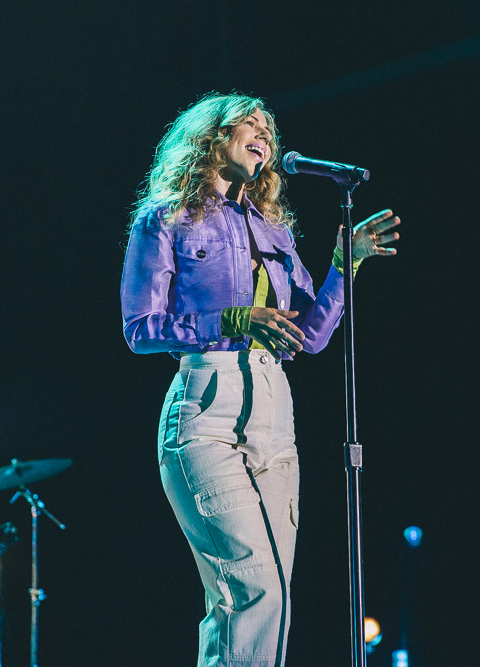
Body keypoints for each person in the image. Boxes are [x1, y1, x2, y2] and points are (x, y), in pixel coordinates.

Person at [120, 92, 400, 667]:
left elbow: (311, 336)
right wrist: (233, 320)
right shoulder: (166, 218)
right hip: (207, 407)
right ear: (212, 137)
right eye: (250, 123)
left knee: (267, 598)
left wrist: (345, 264)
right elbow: (140, 327)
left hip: (276, 412)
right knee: (254, 590)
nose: (264, 134)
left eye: (268, 129)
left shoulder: (274, 231)